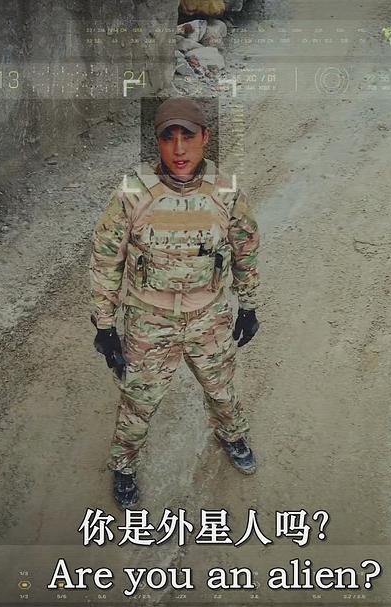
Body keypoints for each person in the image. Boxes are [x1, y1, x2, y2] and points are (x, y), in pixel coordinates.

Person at [89, 96, 260, 508]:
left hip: (209, 316)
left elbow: (246, 247)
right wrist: (105, 325)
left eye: (188, 137)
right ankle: (124, 466)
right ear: (158, 142)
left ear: (205, 137)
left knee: (221, 389)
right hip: (150, 321)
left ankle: (232, 435)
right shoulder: (133, 191)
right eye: (169, 138)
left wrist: (249, 304)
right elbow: (106, 258)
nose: (179, 149)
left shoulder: (226, 190)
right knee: (139, 401)